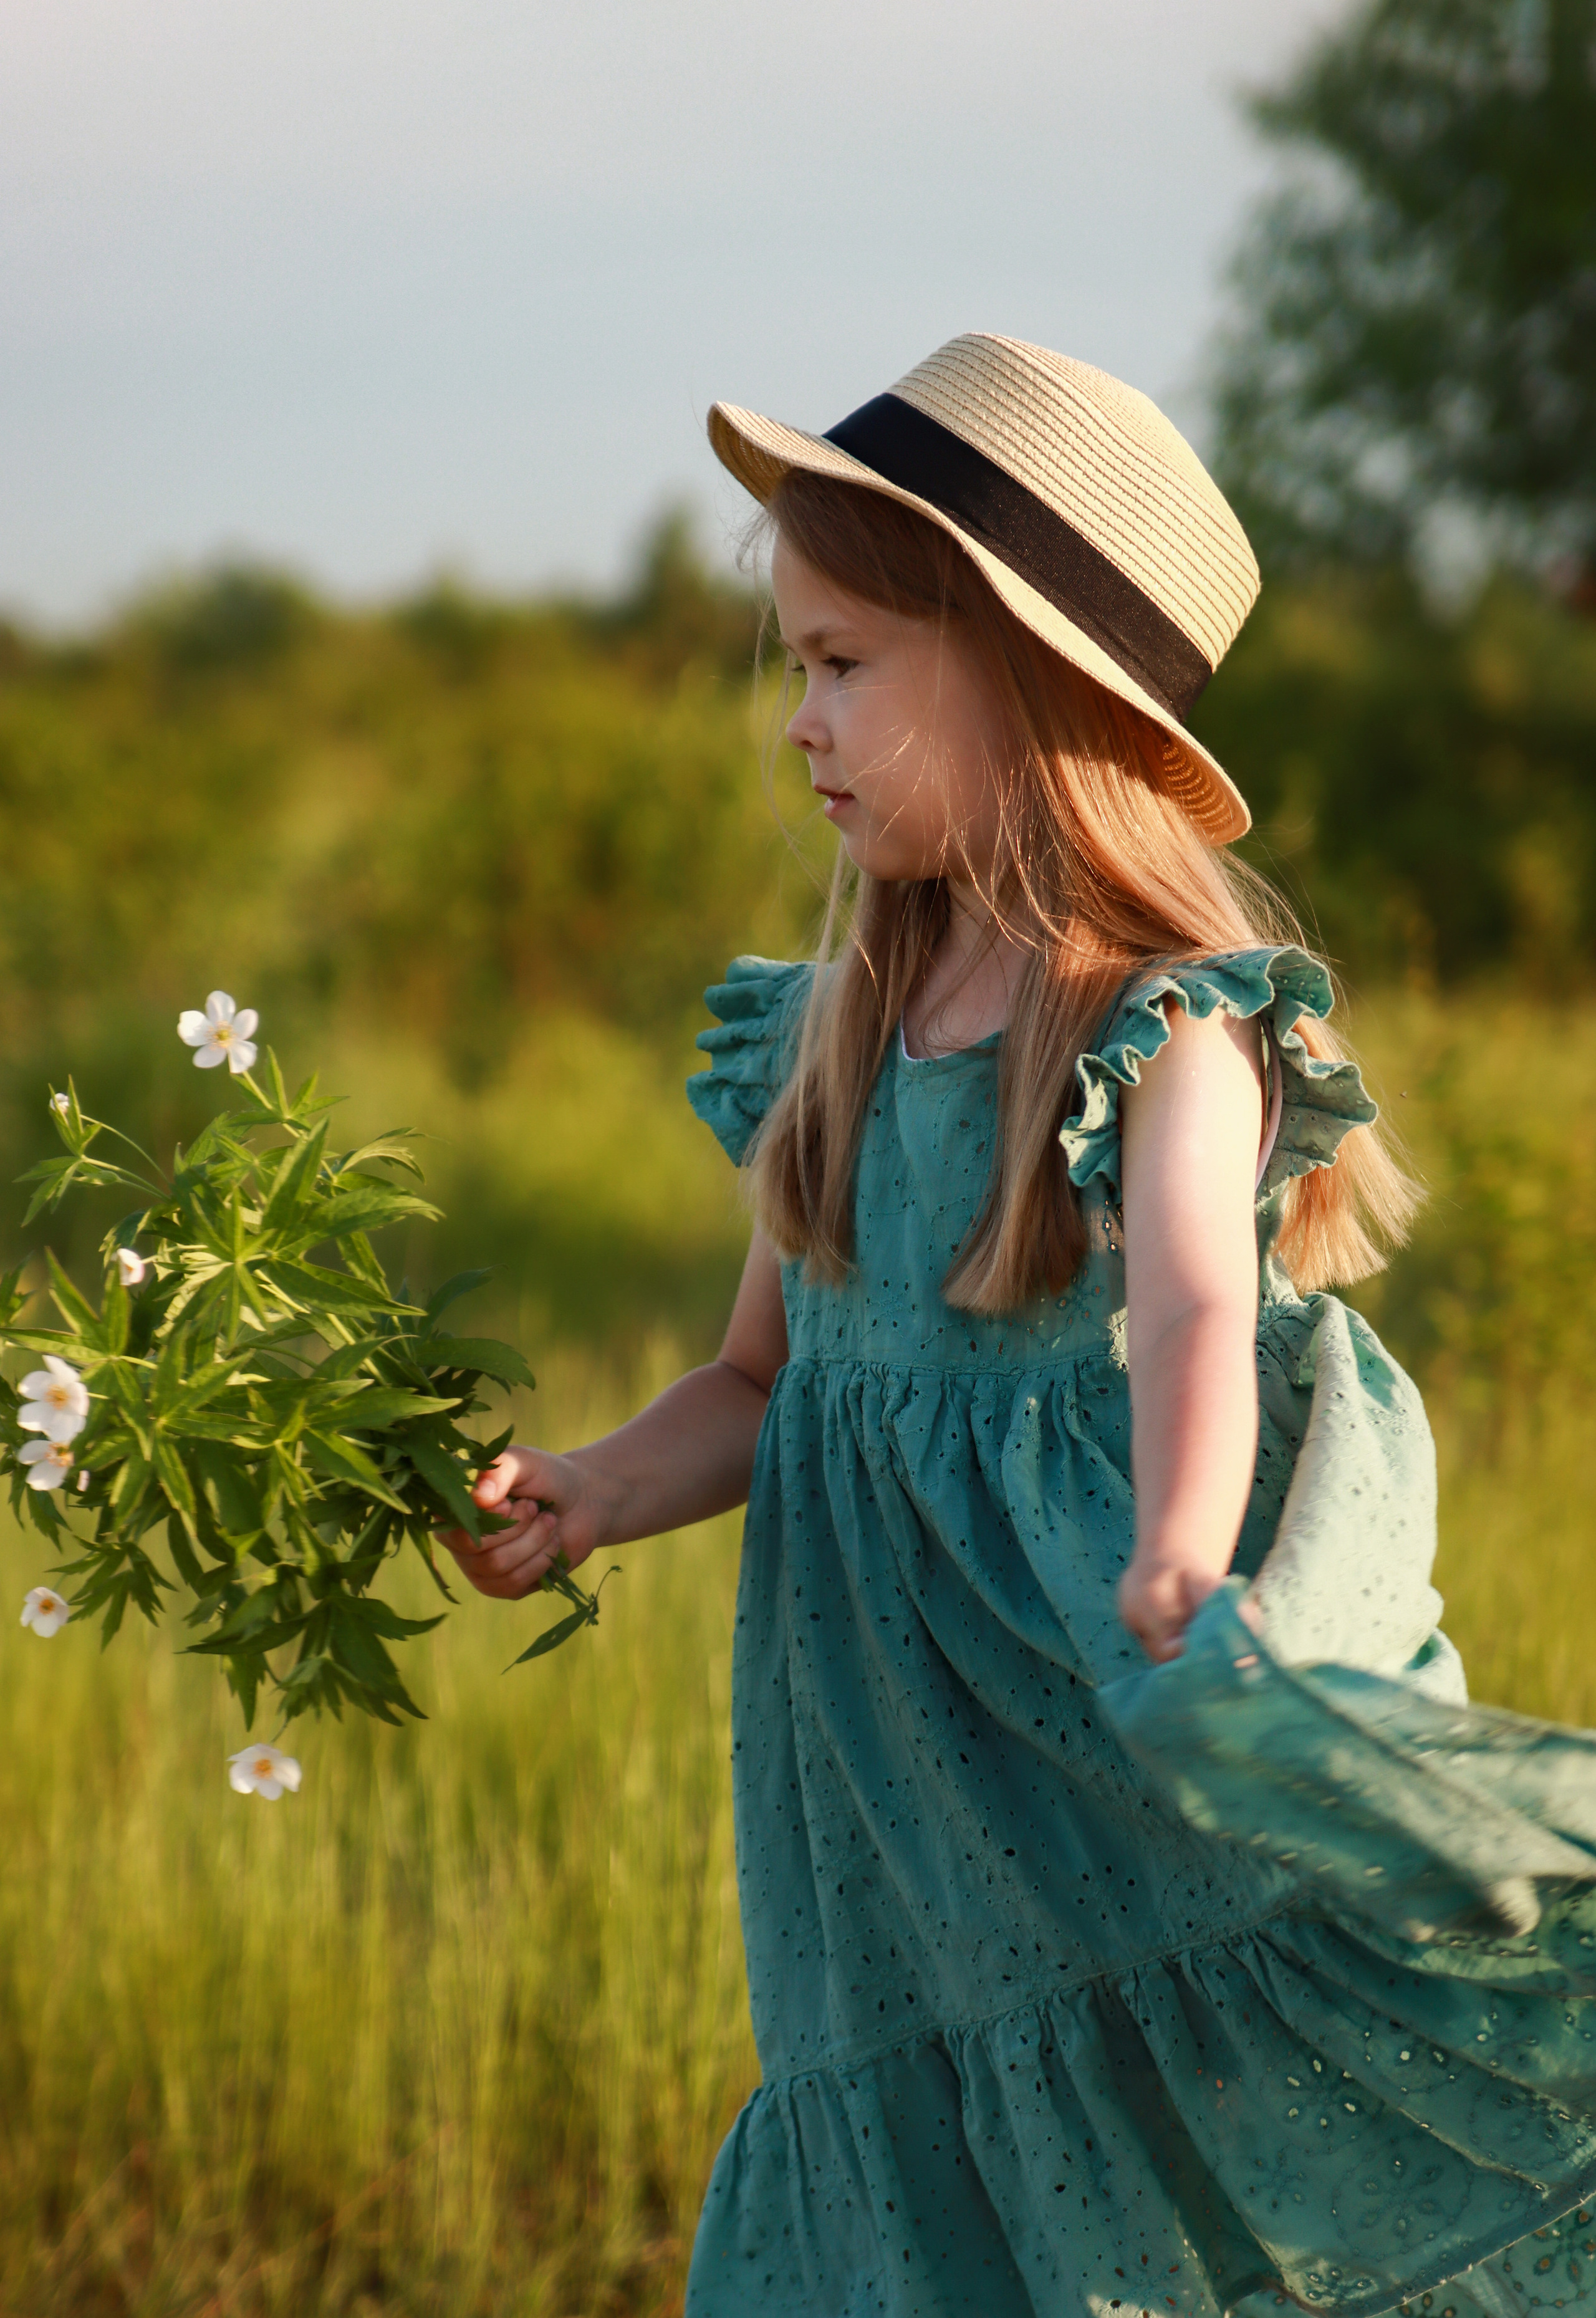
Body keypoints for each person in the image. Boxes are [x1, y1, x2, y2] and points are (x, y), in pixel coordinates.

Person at [444, 335, 1596, 2317]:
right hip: (907, 1819)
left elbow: (1204, 1300)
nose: (796, 718)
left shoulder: (1165, 1017)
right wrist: (595, 1488)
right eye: (792, 664)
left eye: (844, 664)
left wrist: (1177, 1538)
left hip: (1116, 1741)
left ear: (1031, 680)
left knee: (1176, 2170)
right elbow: (759, 1378)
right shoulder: (844, 1031)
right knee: (961, 2213)